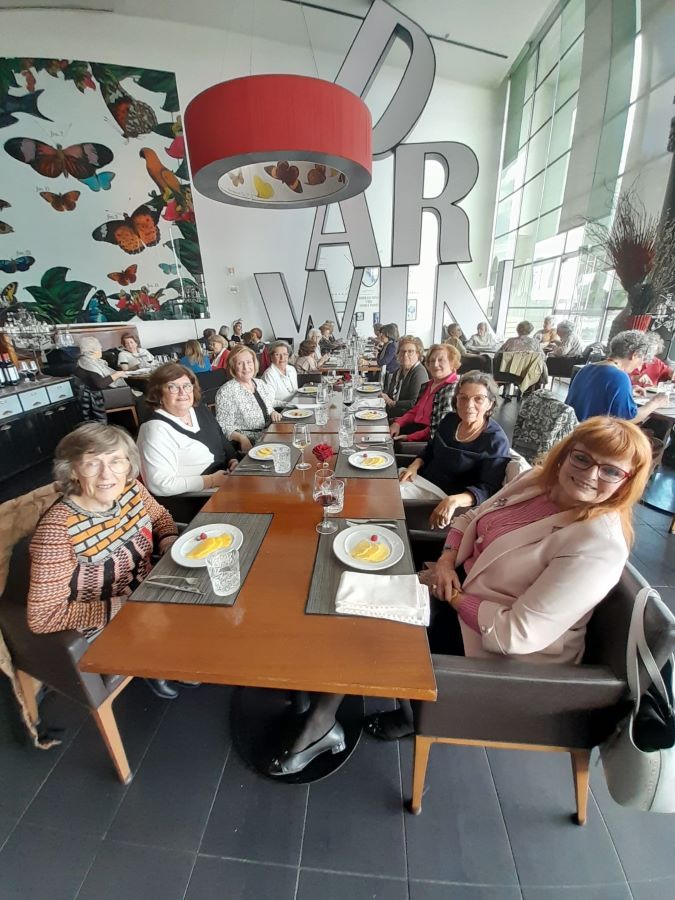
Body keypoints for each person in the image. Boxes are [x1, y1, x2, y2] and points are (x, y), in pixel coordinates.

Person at [364, 415, 653, 739]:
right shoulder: (537, 481)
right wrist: (445, 563)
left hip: (499, 645)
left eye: (611, 471)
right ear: (566, 453)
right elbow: (472, 517)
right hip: (460, 581)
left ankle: (411, 712)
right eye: (582, 458)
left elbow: (517, 633)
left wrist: (450, 594)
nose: (589, 474)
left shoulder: (598, 545)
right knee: (367, 587)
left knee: (376, 623)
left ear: (628, 481)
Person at [27, 423, 182, 700]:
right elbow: (43, 617)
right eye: (92, 464)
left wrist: (168, 541)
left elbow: (160, 517)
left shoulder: (132, 490)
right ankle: (154, 664)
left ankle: (170, 656)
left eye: (115, 461)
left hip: (148, 591)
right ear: (72, 470)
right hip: (103, 619)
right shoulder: (57, 531)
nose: (107, 474)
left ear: (128, 464)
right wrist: (127, 606)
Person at [399, 372, 511, 528]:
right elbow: (430, 449)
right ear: (456, 399)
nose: (469, 405)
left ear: (490, 403)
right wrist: (414, 466)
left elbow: (488, 488)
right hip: (420, 481)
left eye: (478, 399)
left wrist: (454, 500)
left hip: (442, 500)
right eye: (463, 398)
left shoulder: (495, 441)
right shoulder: (450, 420)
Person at [137, 363, 237, 496]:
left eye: (187, 386)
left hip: (225, 479)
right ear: (158, 394)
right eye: (173, 387)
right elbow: (160, 485)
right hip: (197, 497)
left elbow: (220, 436)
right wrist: (211, 481)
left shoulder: (198, 409)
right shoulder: (154, 429)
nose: (182, 392)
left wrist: (233, 460)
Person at [566, 330, 669, 423]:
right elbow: (628, 420)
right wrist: (655, 403)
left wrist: (627, 390)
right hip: (594, 434)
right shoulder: (619, 377)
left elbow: (595, 396)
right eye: (642, 359)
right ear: (635, 355)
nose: (640, 365)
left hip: (574, 431)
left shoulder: (586, 368)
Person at [215, 344, 281, 451]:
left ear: (254, 363)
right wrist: (242, 439)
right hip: (251, 443)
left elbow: (268, 405)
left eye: (249, 362)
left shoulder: (260, 383)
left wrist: (273, 412)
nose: (246, 367)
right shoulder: (226, 391)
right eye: (240, 363)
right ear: (233, 367)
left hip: (270, 434)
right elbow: (223, 426)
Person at [390, 343, 460, 443]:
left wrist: (410, 437)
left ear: (452, 363)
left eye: (441, 360)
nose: (435, 364)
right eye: (432, 361)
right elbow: (415, 411)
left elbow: (438, 428)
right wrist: (398, 423)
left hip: (430, 440)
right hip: (416, 428)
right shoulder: (428, 385)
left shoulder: (452, 389)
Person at [382, 336, 429, 418]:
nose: (405, 355)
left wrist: (392, 403)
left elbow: (415, 403)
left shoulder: (419, 373)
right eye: (402, 351)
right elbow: (390, 394)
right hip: (392, 413)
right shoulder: (399, 370)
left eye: (410, 351)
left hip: (406, 419)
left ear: (418, 354)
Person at [261, 340, 298, 405]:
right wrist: (288, 404)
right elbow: (269, 402)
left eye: (285, 354)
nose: (282, 358)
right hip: (280, 409)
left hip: (296, 405)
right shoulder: (269, 375)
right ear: (271, 357)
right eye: (277, 355)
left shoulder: (292, 369)